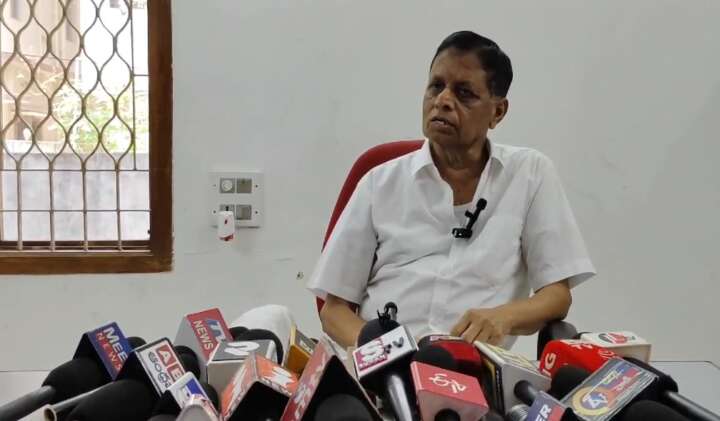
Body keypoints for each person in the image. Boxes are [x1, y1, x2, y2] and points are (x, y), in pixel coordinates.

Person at [307, 31, 596, 350]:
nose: (443, 101)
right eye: (436, 86)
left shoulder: (529, 174)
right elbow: (334, 311)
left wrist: (503, 317)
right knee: (272, 321)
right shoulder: (380, 182)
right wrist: (385, 353)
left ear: (498, 112)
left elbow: (556, 296)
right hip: (381, 367)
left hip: (470, 369)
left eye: (464, 93)